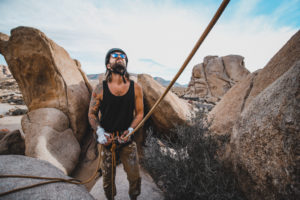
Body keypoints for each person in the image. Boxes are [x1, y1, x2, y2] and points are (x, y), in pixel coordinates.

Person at [88, 48, 144, 200]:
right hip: (107, 141)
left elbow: (139, 113)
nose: (120, 58)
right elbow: (92, 114)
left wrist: (131, 130)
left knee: (135, 178)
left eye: (123, 57)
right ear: (108, 65)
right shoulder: (100, 89)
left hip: (127, 140)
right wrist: (100, 133)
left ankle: (134, 198)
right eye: (115, 56)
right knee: (107, 181)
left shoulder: (136, 88)